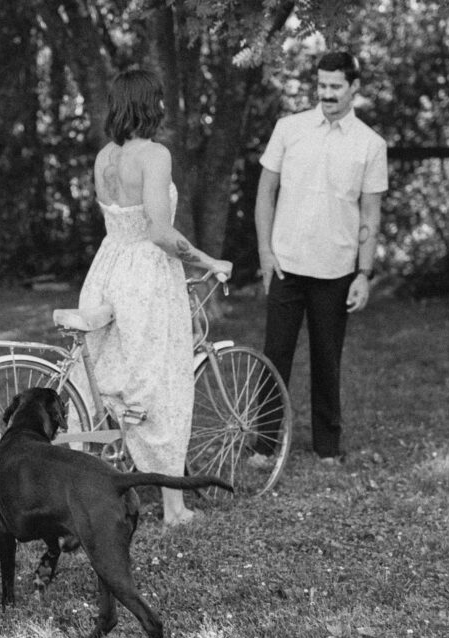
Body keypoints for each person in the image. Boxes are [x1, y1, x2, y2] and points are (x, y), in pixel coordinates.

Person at [79, 68, 233, 526]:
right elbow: (162, 235)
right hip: (146, 277)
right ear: (151, 106)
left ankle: (101, 480)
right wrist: (209, 262)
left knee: (110, 379)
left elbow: (122, 222)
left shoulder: (104, 157)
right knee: (161, 382)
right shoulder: (155, 155)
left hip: (107, 270)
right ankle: (173, 507)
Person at [251, 51, 388, 466]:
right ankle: (263, 444)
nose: (326, 93)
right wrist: (265, 252)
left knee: (327, 358)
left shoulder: (370, 144)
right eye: (322, 85)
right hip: (286, 264)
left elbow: (370, 214)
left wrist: (364, 274)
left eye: (335, 87)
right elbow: (265, 195)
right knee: (275, 354)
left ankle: (328, 446)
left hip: (336, 269)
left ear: (353, 89)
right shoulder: (289, 129)